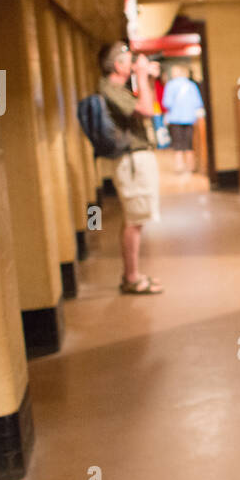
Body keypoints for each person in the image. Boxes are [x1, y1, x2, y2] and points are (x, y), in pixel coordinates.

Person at [98, 42, 164, 295]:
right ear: (118, 65)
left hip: (135, 158)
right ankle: (131, 277)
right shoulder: (111, 88)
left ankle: (132, 274)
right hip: (131, 160)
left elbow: (149, 106)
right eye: (128, 61)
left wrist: (145, 79)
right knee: (134, 220)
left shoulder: (117, 89)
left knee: (134, 218)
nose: (132, 63)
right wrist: (141, 75)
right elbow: (147, 110)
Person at [161, 64, 205, 174]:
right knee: (189, 144)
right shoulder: (191, 85)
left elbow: (167, 103)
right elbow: (198, 103)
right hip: (190, 118)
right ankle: (191, 167)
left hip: (175, 119)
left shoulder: (170, 85)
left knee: (177, 144)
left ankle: (179, 167)